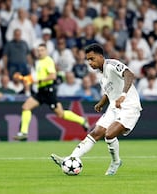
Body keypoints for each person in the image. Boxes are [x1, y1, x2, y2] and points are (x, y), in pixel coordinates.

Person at [51, 43, 142, 175]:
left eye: (92, 59)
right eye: (88, 59)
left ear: (100, 56)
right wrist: (101, 103)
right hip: (113, 107)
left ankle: (116, 162)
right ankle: (71, 158)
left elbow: (129, 75)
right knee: (95, 133)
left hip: (129, 106)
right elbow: (108, 93)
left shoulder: (111, 65)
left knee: (109, 134)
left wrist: (123, 95)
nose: (90, 62)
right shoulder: (101, 77)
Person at [13, 43, 89, 141]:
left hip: (49, 91)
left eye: (42, 50)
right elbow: (36, 77)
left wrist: (39, 81)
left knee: (60, 114)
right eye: (38, 50)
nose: (40, 52)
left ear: (46, 51)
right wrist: (24, 78)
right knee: (25, 107)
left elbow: (53, 76)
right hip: (41, 91)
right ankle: (23, 132)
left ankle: (82, 120)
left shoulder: (48, 61)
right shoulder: (38, 62)